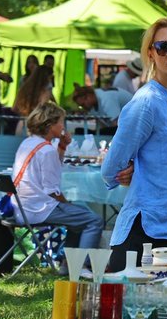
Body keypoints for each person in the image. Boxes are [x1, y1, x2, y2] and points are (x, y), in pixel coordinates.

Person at [101, 16, 167, 272]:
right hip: (147, 234)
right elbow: (111, 168)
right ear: (151, 54)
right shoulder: (145, 103)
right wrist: (129, 169)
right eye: (163, 47)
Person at [12, 102, 104, 256]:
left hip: (20, 208)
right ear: (50, 125)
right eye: (61, 122)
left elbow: (51, 169)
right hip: (37, 209)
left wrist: (62, 146)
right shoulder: (46, 150)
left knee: (79, 217)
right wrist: (68, 205)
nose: (63, 126)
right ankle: (82, 265)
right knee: (94, 220)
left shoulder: (28, 143)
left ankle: (68, 266)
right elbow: (52, 191)